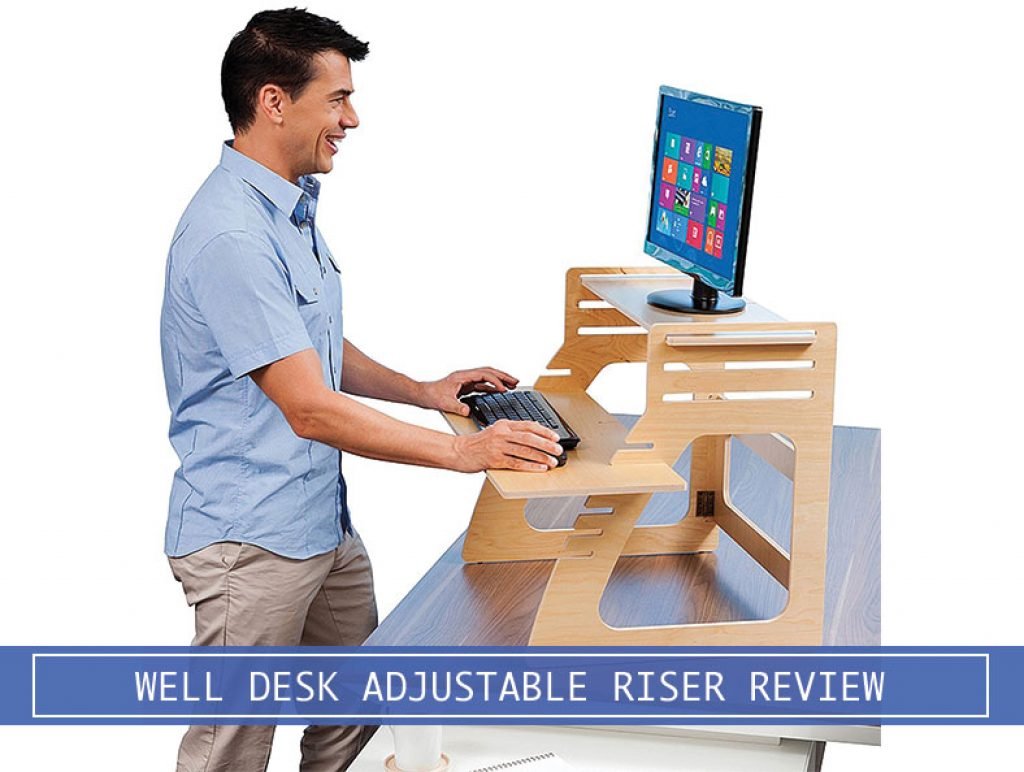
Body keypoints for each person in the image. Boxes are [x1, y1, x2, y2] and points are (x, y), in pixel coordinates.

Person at [159, 8, 562, 771]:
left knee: (356, 717)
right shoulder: (231, 234)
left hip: (320, 525)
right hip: (250, 544)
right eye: (337, 98)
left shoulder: (284, 208)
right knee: (230, 751)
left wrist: (425, 391)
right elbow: (307, 406)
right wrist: (466, 454)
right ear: (275, 101)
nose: (352, 118)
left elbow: (303, 347)